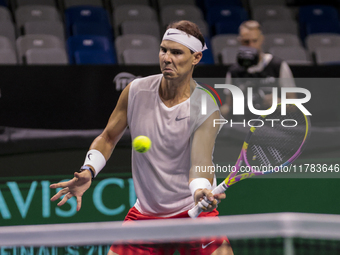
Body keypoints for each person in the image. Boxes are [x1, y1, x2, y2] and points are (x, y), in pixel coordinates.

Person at [50, 20, 234, 255]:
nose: (167, 58)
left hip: (193, 211)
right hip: (146, 215)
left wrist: (200, 190)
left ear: (196, 58)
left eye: (176, 52)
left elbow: (200, 162)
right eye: (163, 49)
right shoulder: (136, 91)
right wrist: (89, 170)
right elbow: (107, 138)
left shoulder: (205, 106)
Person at [220, 20, 296, 119]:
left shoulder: (277, 65)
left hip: (273, 125)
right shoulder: (234, 71)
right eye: (246, 42)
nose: (251, 45)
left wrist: (279, 103)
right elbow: (228, 106)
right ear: (240, 41)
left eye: (254, 41)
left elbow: (293, 105)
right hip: (244, 127)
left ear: (261, 40)